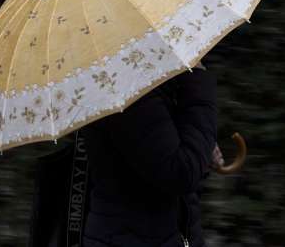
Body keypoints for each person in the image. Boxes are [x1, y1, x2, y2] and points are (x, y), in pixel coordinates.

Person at [81, 66, 219, 247]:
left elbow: (162, 147)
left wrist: (200, 147)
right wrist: (197, 78)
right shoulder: (126, 90)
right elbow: (181, 172)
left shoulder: (144, 80)